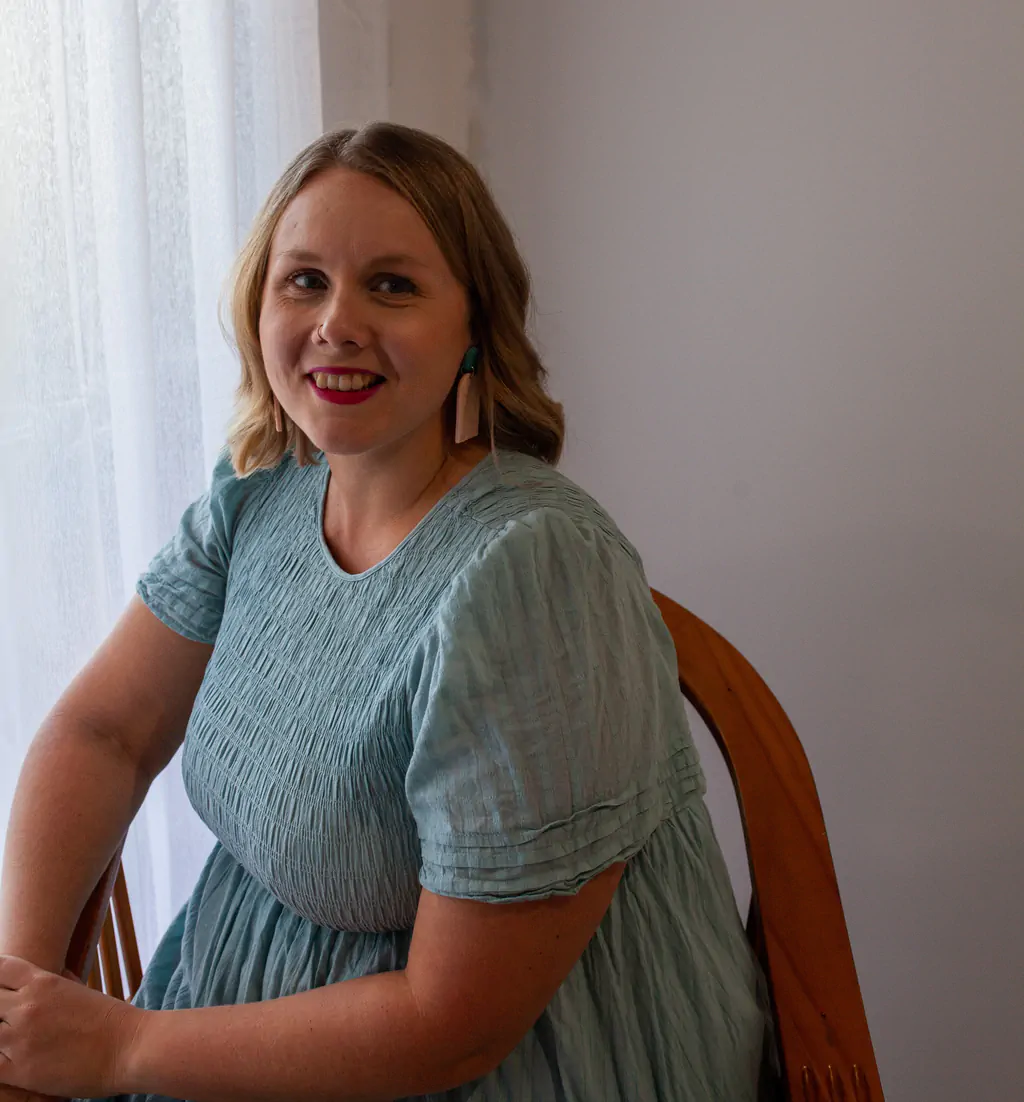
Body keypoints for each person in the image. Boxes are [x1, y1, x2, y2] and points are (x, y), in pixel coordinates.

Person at [0, 122, 767, 1102]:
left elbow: (455, 1025)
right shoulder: (259, 494)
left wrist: (120, 1048)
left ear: (474, 323)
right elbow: (104, 731)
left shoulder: (536, 574)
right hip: (220, 1034)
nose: (337, 323)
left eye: (392, 286)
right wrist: (18, 999)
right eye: (304, 281)